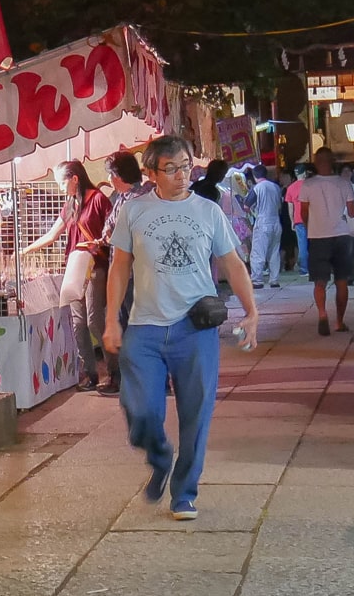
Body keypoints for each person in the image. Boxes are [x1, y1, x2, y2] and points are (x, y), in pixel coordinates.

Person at [102, 136, 259, 521]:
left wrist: (252, 312)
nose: (181, 175)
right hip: (144, 329)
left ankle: (184, 492)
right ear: (151, 173)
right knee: (139, 410)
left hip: (195, 330)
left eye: (186, 166)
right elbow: (119, 266)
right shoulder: (134, 210)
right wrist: (110, 320)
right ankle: (159, 456)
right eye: (170, 168)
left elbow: (233, 263)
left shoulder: (208, 212)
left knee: (196, 414)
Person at [23, 161, 112, 390]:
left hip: (95, 266)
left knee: (94, 320)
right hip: (74, 268)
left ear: (75, 179)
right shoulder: (70, 204)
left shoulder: (98, 200)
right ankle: (90, 374)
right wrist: (24, 250)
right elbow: (53, 234)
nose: (60, 188)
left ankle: (115, 372)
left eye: (62, 182)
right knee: (78, 322)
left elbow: (112, 232)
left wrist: (99, 242)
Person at [94, 151, 153, 395]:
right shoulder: (123, 197)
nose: (109, 178)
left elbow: (123, 233)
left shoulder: (138, 199)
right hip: (123, 271)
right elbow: (110, 230)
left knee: (134, 325)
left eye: (110, 173)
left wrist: (107, 237)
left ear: (119, 175)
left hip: (134, 273)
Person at [300, 147, 354, 336]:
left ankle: (322, 314)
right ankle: (339, 322)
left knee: (319, 281)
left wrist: (312, 227)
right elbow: (351, 212)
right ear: (333, 161)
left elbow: (303, 213)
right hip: (342, 236)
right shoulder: (344, 183)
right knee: (341, 281)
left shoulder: (307, 185)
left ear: (316, 163)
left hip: (318, 237)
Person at [247, 165, 285, 288]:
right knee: (274, 251)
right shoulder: (275, 187)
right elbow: (280, 204)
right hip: (276, 221)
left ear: (254, 176)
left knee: (258, 251)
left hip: (263, 221)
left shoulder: (257, 188)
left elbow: (246, 205)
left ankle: (257, 280)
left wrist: (253, 211)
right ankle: (274, 280)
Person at [285, 165, 312, 276]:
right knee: (315, 244)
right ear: (305, 173)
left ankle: (304, 269)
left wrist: (292, 221)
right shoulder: (310, 186)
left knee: (302, 245)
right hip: (312, 219)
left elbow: (290, 208)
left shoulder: (290, 188)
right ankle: (316, 267)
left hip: (299, 220)